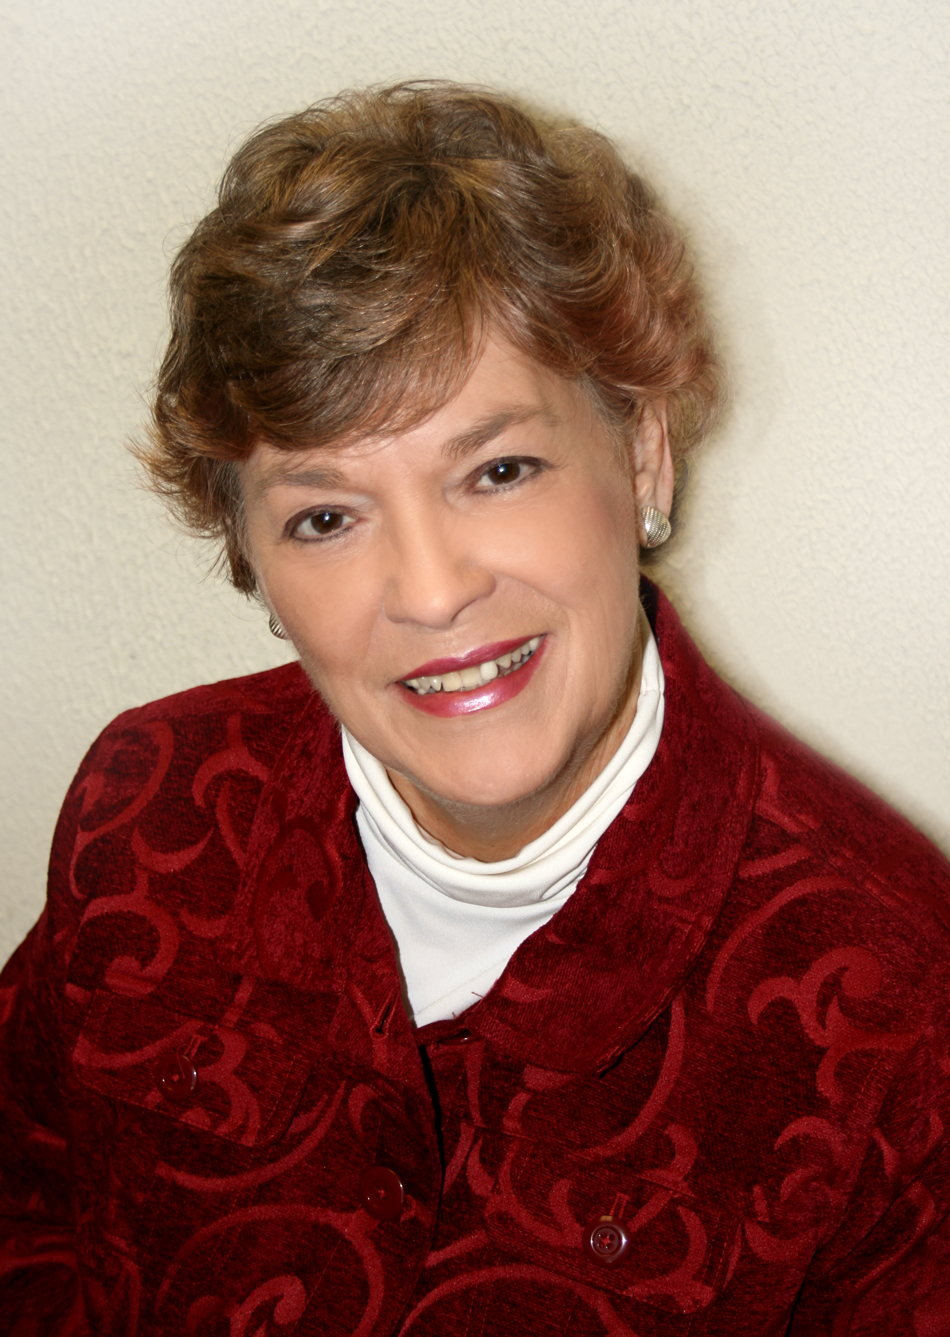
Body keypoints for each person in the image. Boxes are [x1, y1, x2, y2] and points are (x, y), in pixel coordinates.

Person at [1, 81, 949, 1337]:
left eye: (497, 470)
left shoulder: (891, 997)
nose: (432, 590)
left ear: (642, 452)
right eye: (325, 516)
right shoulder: (148, 810)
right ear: (252, 558)